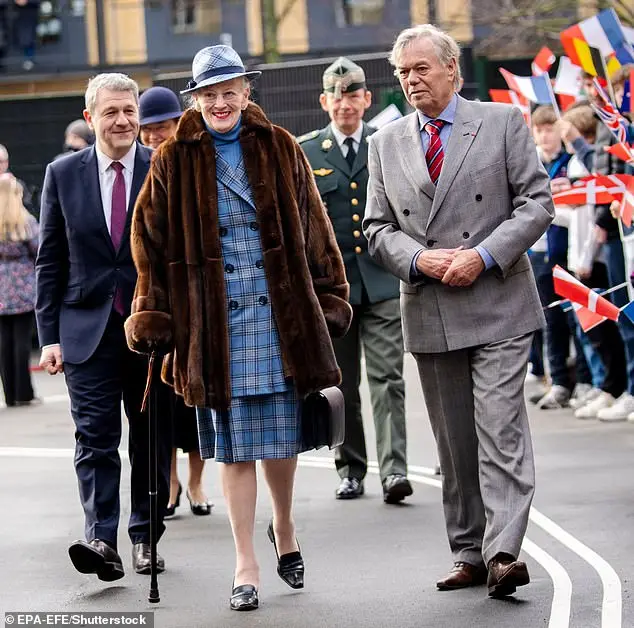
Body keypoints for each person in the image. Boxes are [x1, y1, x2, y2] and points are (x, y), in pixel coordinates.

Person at [125, 45, 352, 611]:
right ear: (196, 100)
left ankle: (285, 525)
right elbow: (148, 244)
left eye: (230, 91)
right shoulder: (171, 159)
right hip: (213, 327)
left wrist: (328, 297)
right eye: (209, 93)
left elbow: (316, 229)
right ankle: (245, 562)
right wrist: (152, 312)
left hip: (279, 320)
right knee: (233, 449)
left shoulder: (281, 147)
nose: (221, 102)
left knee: (280, 441)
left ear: (247, 93)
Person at [363, 24, 554, 598]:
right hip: (431, 306)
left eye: (421, 68)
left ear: (451, 68)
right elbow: (376, 230)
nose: (410, 80)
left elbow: (537, 202)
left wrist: (485, 253)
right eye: (402, 72)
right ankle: (468, 551)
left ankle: (503, 552)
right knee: (455, 443)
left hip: (498, 301)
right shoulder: (385, 143)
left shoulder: (500, 123)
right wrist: (419, 258)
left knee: (499, 429)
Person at [35, 73, 172, 582]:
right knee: (94, 439)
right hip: (84, 330)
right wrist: (49, 335)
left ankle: (145, 538)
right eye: (111, 112)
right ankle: (100, 538)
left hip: (150, 330)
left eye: (129, 111)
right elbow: (50, 260)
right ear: (91, 118)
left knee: (150, 439)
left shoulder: (163, 169)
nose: (122, 121)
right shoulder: (62, 173)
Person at [298, 57, 411, 503]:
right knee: (340, 385)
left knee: (388, 378)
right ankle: (350, 468)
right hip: (334, 291)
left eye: (353, 95)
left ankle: (395, 470)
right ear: (325, 101)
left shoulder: (388, 145)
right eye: (337, 96)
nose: (346, 104)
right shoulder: (307, 152)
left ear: (367, 99)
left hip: (382, 282)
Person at [138, 84, 212, 518]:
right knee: (161, 405)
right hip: (157, 300)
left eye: (161, 126)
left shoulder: (193, 158)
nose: (153, 136)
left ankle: (198, 481)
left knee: (194, 400)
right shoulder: (140, 168)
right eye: (147, 129)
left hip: (198, 300)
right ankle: (170, 482)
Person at [0, 173, 39, 407]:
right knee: (21, 340)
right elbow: (39, 250)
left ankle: (9, 393)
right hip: (23, 286)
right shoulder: (25, 221)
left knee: (3, 342)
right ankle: (24, 392)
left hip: (0, 289)